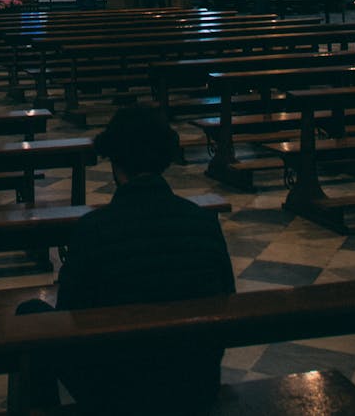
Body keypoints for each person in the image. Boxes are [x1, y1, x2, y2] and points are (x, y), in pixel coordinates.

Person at [18, 103, 235, 414]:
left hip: (115, 391)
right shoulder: (202, 222)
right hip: (194, 383)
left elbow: (68, 317)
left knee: (31, 314)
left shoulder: (94, 229)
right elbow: (227, 298)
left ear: (115, 163)